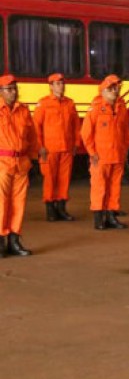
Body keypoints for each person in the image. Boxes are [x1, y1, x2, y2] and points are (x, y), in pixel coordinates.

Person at [81, 75, 129, 230]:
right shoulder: (96, 108)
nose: (115, 91)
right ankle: (99, 218)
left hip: (117, 155)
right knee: (99, 187)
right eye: (111, 88)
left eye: (117, 87)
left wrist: (125, 149)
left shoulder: (121, 107)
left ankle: (111, 216)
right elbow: (86, 133)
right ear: (103, 90)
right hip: (100, 157)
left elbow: (126, 132)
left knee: (115, 187)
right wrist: (92, 152)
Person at [0, 74, 39, 256]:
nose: (13, 92)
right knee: (1, 204)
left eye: (15, 88)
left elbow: (31, 137)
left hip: (21, 163)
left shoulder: (23, 111)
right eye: (9, 89)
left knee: (18, 204)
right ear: (1, 92)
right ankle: (1, 241)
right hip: (2, 163)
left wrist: (32, 157)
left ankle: (14, 240)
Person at [33, 73, 79, 222]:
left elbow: (76, 126)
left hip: (66, 148)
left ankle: (61, 208)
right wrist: (40, 146)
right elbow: (36, 128)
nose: (61, 86)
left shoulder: (70, 103)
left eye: (62, 83)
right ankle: (50, 209)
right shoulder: (43, 104)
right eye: (57, 83)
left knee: (64, 180)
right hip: (49, 149)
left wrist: (75, 144)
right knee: (50, 180)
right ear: (51, 86)